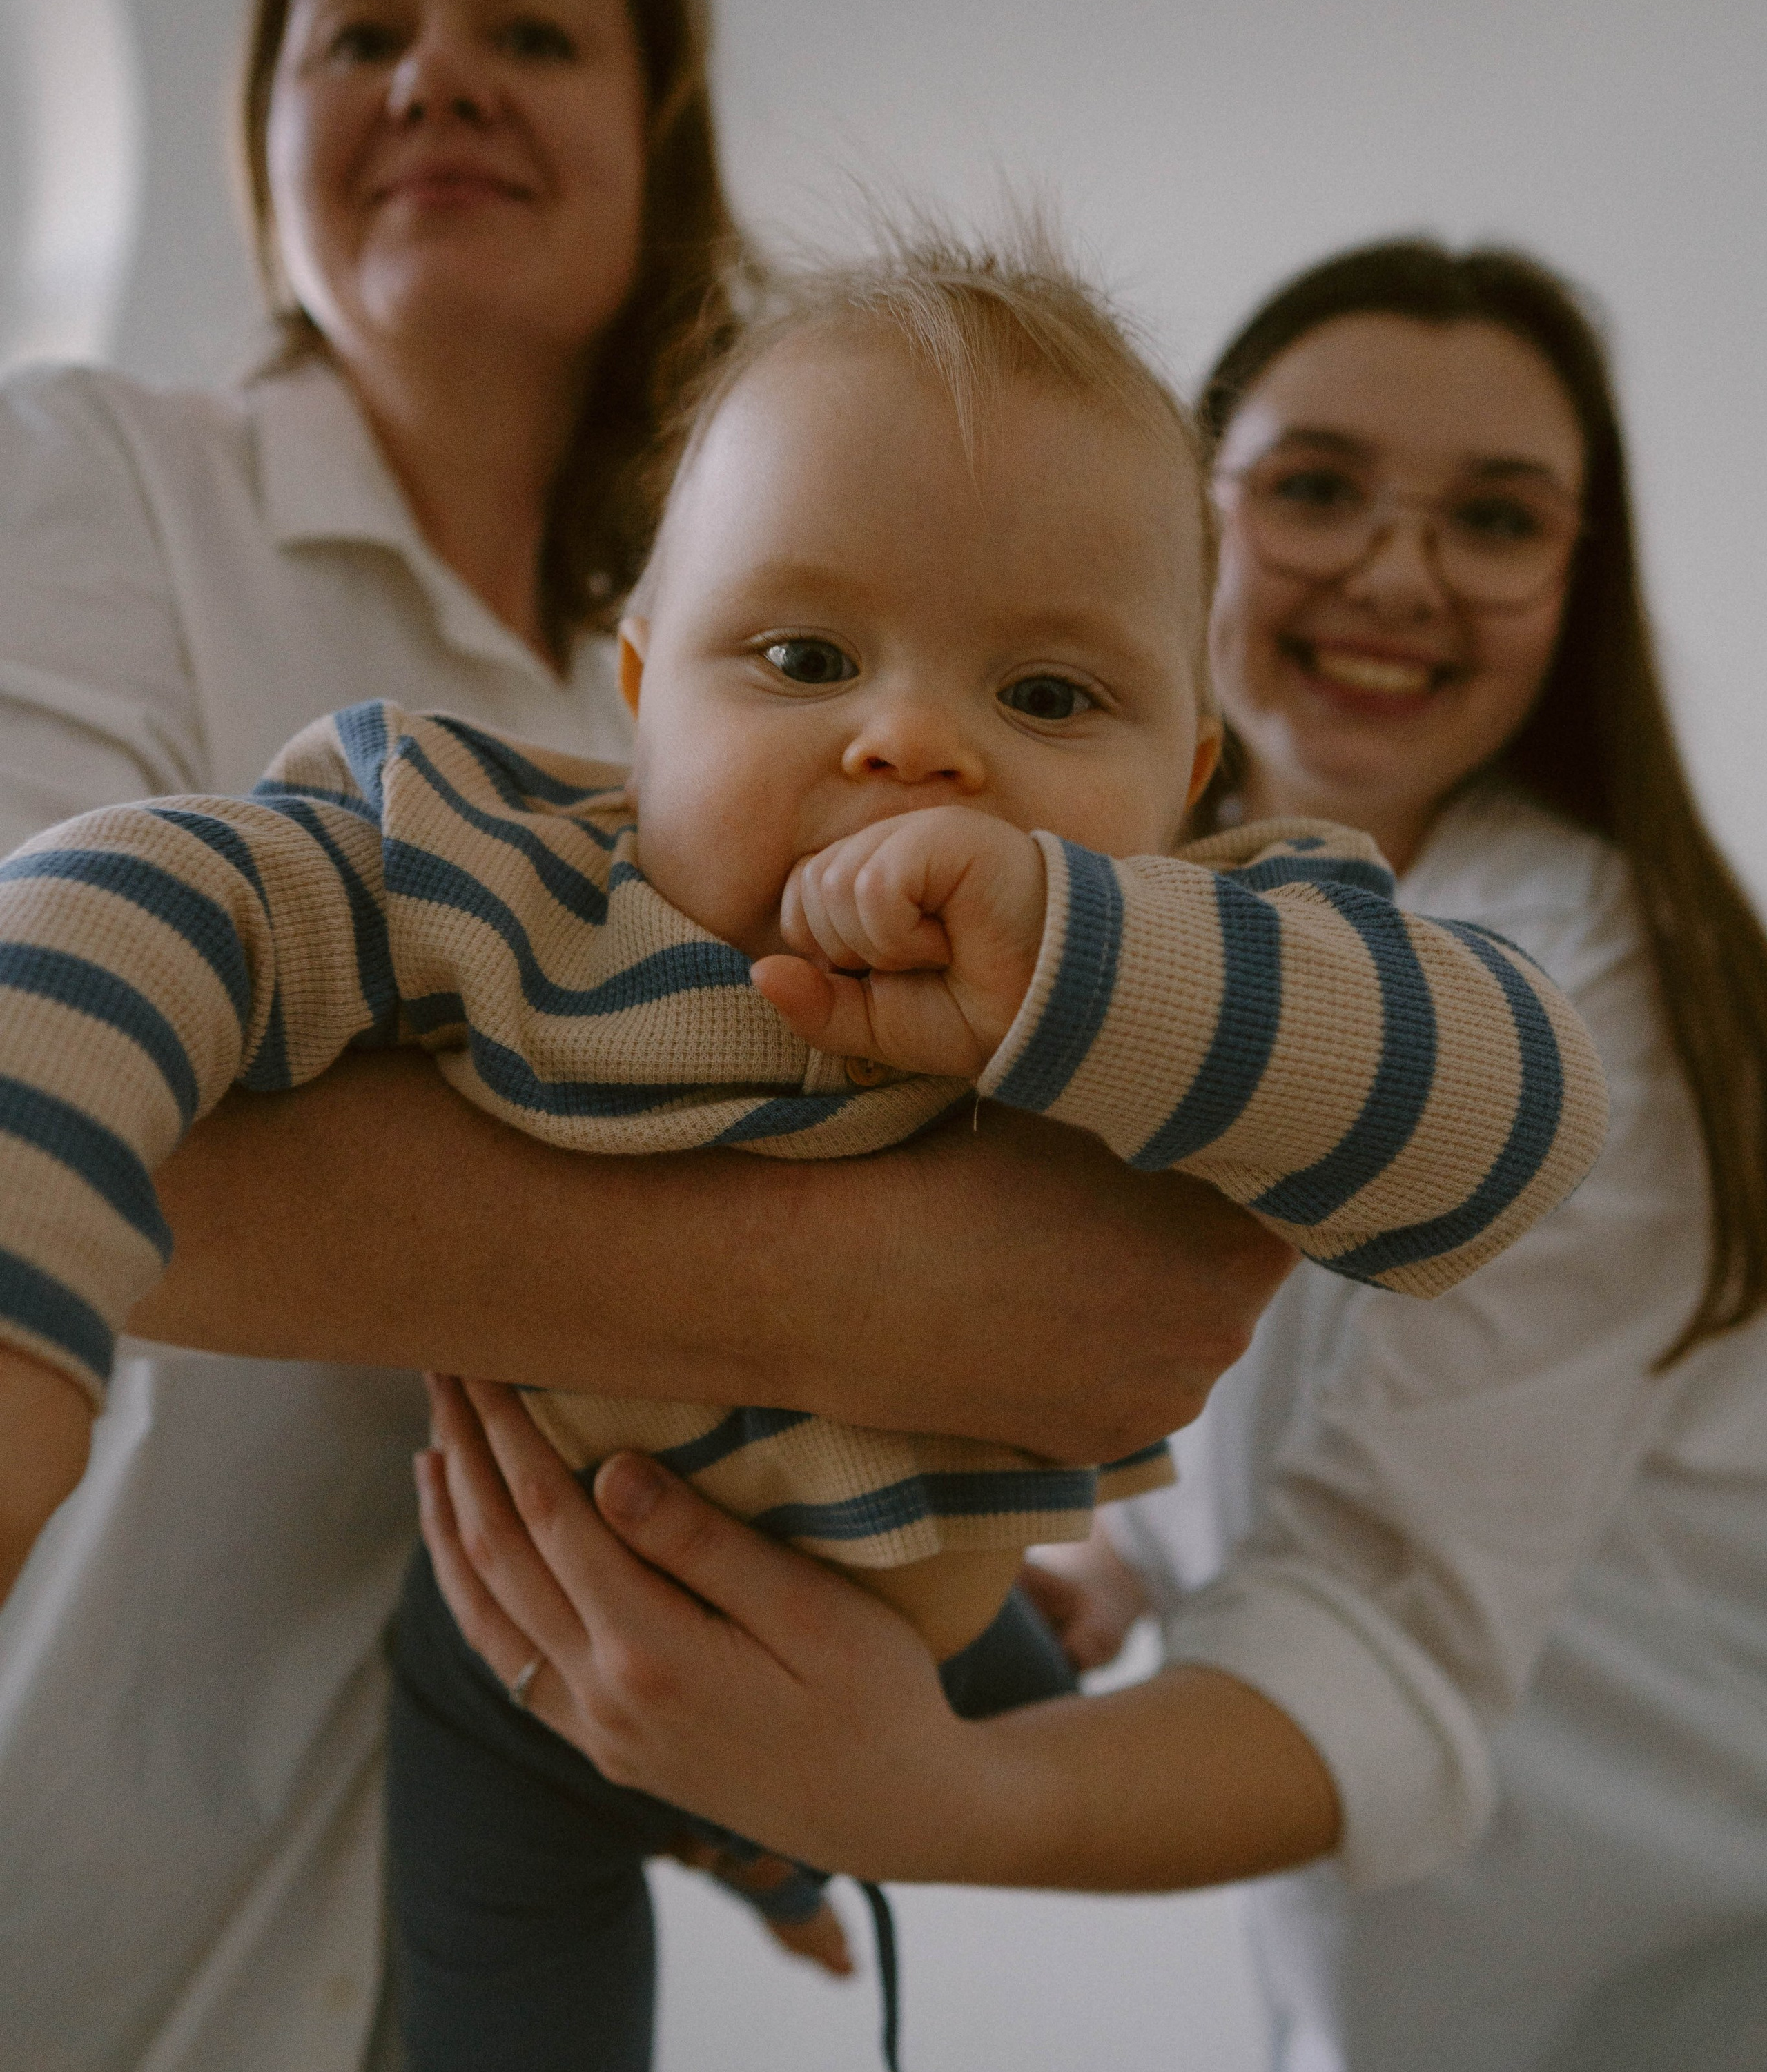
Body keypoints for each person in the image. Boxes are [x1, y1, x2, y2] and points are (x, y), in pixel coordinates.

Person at [0, 233, 1608, 2072]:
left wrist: (1077, 964)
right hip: (510, 1668)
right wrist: (27, 1320)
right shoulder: (489, 869)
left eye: (1054, 700)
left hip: (922, 1653)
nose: (913, 740)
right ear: (638, 688)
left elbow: (1526, 1123)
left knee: (1024, 1674)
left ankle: (783, 1808)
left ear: (1185, 773)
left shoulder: (1215, 944)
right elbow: (121, 904)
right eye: (802, 655)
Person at [0, 0, 1302, 2067]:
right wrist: (906, 1291)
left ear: (659, 132)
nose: (439, 76)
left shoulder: (758, 674)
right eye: (356, 32)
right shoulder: (97, 477)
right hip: (81, 1846)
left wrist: (793, 1742)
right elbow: (67, 1078)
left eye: (534, 27)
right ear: (259, 135)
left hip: (462, 1891)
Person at [411, 240, 1767, 2072]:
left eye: (1500, 520)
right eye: (1314, 487)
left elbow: (1395, 1634)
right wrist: (1102, 1557)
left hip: (1648, 1951)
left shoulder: (1575, 976)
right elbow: (1227, 1337)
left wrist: (934, 1800)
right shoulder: (1125, 906)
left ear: (1579, 580)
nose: (1395, 570)